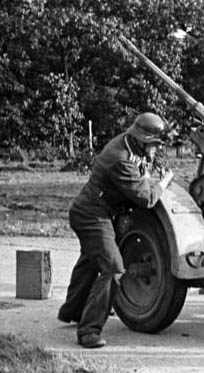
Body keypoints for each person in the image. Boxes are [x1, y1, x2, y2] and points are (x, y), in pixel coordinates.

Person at [57, 112, 175, 348]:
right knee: (113, 267)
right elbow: (146, 198)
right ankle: (89, 331)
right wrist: (164, 182)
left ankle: (72, 310)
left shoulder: (131, 144)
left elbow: (143, 170)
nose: (155, 150)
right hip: (91, 213)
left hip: (97, 210)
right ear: (142, 139)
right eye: (153, 145)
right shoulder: (120, 157)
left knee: (91, 259)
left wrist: (150, 169)